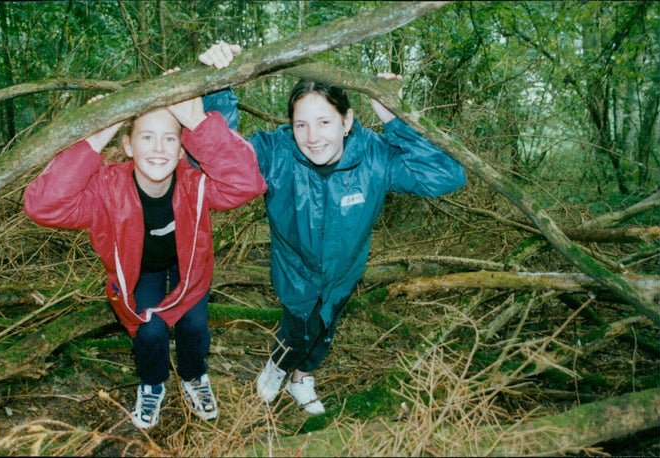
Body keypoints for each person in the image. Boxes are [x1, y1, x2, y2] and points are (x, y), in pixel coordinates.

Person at [198, 43, 467, 415]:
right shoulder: (277, 153)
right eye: (301, 125)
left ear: (347, 121)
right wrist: (218, 86)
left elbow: (447, 175)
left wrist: (396, 118)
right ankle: (277, 366)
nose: (313, 137)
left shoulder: (375, 156)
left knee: (325, 331)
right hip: (294, 279)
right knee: (296, 333)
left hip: (344, 276)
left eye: (325, 122)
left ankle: (302, 379)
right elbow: (219, 161)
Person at [23, 68, 267, 429]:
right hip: (142, 270)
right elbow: (42, 205)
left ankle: (193, 375)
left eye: (170, 139)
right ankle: (153, 382)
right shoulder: (106, 189)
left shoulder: (193, 181)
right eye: (147, 138)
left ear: (182, 146)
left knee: (195, 327)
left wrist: (197, 121)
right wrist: (99, 130)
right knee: (149, 330)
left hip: (189, 269)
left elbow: (247, 183)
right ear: (127, 145)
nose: (158, 149)